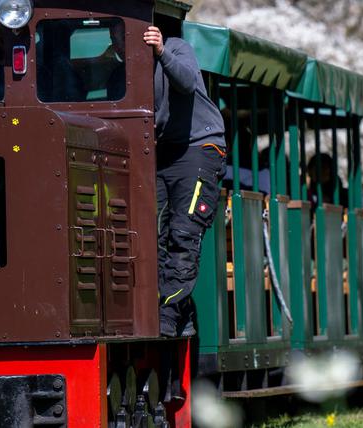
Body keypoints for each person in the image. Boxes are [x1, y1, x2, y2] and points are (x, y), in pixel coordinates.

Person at [145, 25, 227, 337]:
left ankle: (169, 314)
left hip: (198, 147)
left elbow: (187, 81)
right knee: (153, 232)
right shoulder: (122, 66)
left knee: (183, 232)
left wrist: (161, 52)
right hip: (163, 151)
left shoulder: (177, 48)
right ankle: (179, 310)